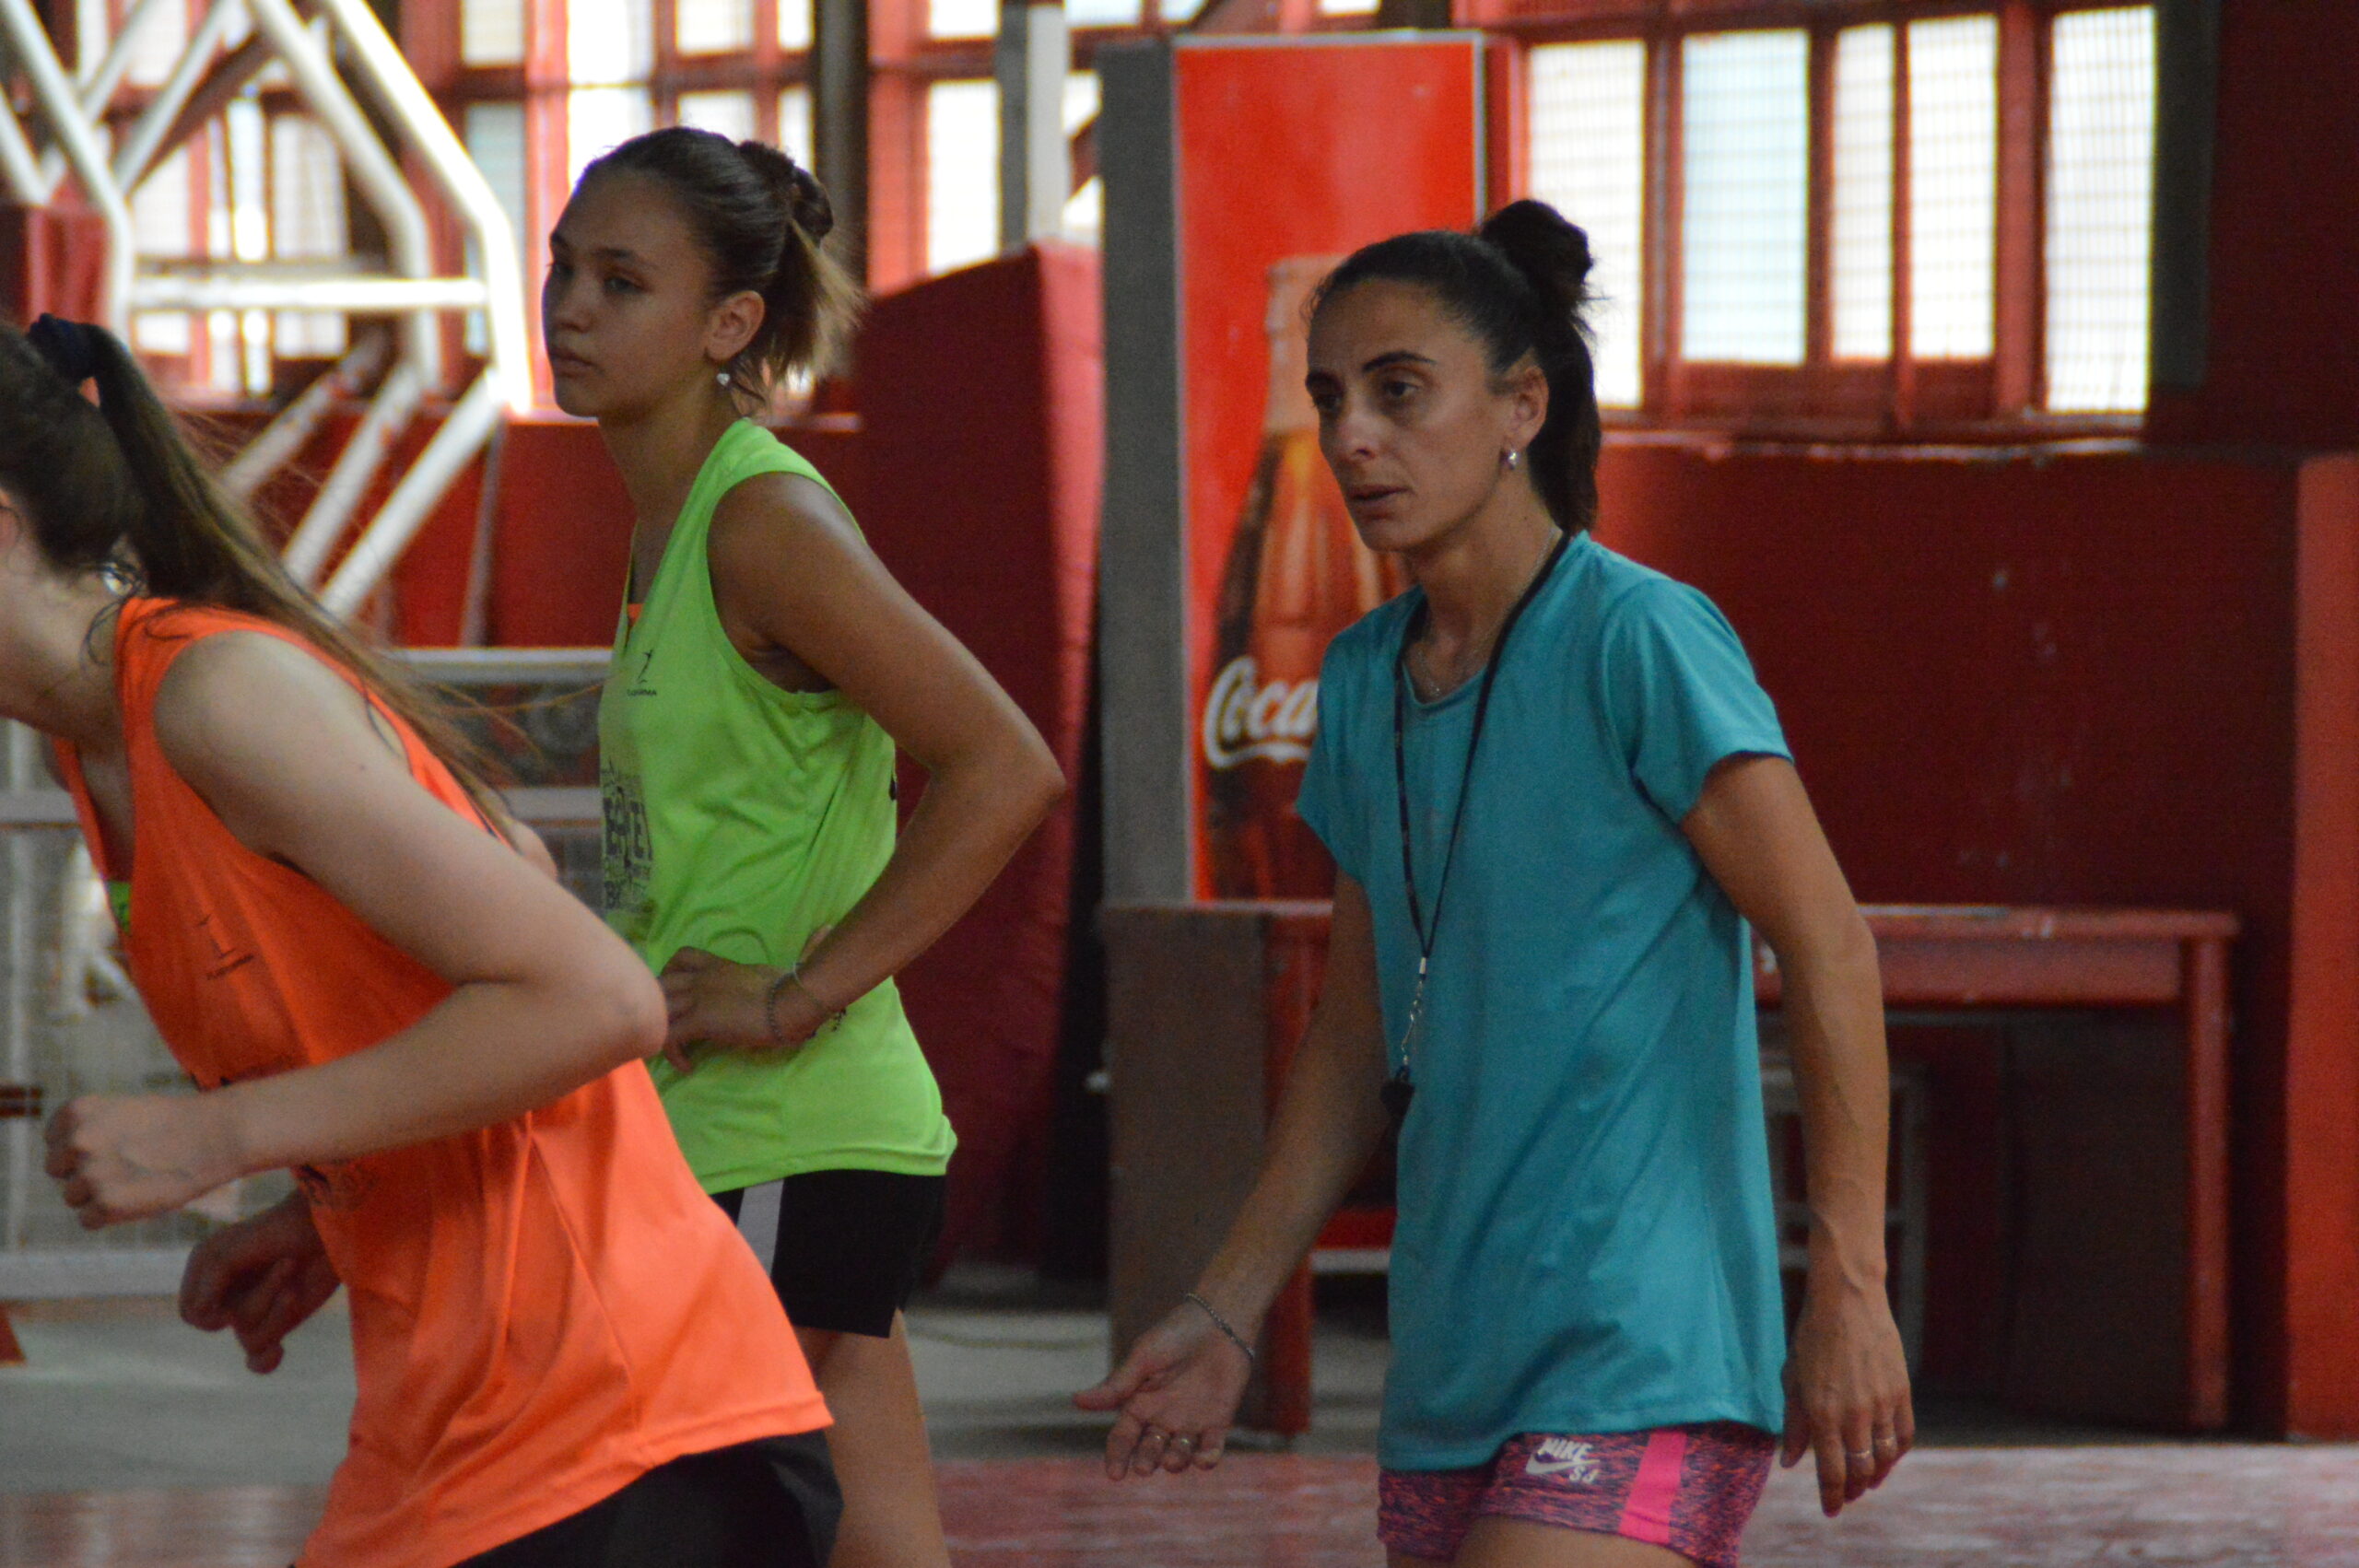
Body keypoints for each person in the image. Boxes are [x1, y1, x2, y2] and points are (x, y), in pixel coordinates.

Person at [1075, 201, 1913, 1568]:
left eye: (1400, 391)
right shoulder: (1363, 680)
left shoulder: (1641, 638)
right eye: (1331, 397)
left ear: (1522, 404)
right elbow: (1356, 1035)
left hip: (1646, 1349)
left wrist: (1852, 1290)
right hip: (1452, 1366)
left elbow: (1829, 947)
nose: (1353, 436)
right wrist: (1227, 1308)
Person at [17, 315, 840, 1566]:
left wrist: (220, 1134)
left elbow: (597, 998)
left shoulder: (215, 693)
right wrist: (327, 1211)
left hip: (618, 1411)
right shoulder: (98, 749)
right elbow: (478, 913)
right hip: (459, 1421)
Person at [545, 127, 1065, 1568]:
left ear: (730, 325)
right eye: (565, 269)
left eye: (621, 283)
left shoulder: (761, 521)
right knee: (881, 1541)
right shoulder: (666, 521)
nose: (571, 307)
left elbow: (1005, 766)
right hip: (743, 1137)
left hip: (790, 1138)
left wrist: (793, 997)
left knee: (658, 1526)